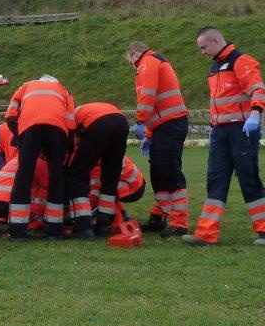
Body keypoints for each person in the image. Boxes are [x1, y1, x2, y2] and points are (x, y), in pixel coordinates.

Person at [183, 27, 265, 247]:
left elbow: (258, 89)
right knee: (215, 179)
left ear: (216, 40)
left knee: (248, 178)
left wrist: (254, 115)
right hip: (220, 132)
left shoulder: (241, 60)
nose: (203, 52)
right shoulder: (216, 66)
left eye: (204, 47)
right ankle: (205, 235)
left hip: (241, 130)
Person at [125, 41, 190, 239]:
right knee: (159, 172)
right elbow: (158, 103)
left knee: (169, 171)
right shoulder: (152, 62)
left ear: (134, 54)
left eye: (129, 61)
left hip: (170, 125)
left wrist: (140, 121)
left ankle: (180, 221)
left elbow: (148, 94)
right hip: (163, 126)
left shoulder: (148, 62)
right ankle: (159, 214)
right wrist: (150, 134)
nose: (131, 65)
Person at [4, 74, 75, 241]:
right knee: (56, 177)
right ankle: (54, 231)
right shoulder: (64, 90)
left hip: (29, 126)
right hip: (57, 129)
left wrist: (22, 138)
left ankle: (17, 232)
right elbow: (71, 123)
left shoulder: (25, 86)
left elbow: (10, 117)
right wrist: (64, 148)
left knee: (23, 176)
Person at [67, 102, 130, 239]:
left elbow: (72, 143)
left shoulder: (71, 116)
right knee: (111, 174)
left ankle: (82, 226)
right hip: (121, 121)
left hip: (99, 123)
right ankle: (104, 222)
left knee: (77, 175)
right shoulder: (86, 110)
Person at [0, 155, 49, 235]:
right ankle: (30, 227)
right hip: (11, 204)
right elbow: (47, 184)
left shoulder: (15, 159)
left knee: (0, 203)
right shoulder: (39, 162)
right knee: (43, 197)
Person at [88, 154, 147, 224]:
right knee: (108, 192)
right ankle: (123, 214)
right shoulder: (105, 150)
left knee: (105, 194)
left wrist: (84, 212)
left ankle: (107, 219)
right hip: (137, 184)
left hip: (131, 188)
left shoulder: (96, 165)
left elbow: (95, 195)